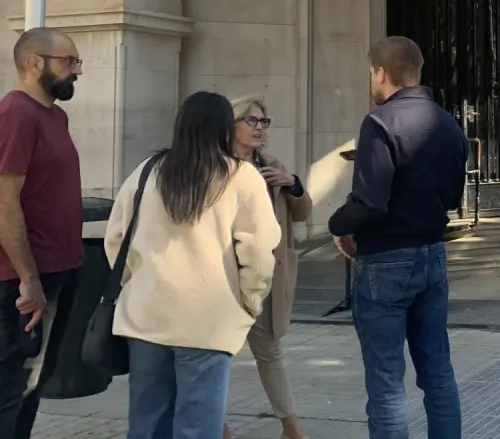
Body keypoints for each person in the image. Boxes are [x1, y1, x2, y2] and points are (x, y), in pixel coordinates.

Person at [105, 91, 280, 439]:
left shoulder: (147, 171)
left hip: (145, 316)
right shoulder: (242, 177)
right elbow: (259, 253)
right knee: (199, 428)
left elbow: (116, 240)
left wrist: (134, 284)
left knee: (146, 425)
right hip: (207, 320)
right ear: (224, 127)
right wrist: (250, 301)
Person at [330, 36, 467, 439]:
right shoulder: (448, 123)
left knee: (386, 381)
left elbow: (370, 202)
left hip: (386, 259)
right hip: (433, 254)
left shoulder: (379, 123)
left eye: (370, 73)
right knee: (438, 371)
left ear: (380, 73)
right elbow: (453, 198)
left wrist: (338, 225)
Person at [0, 28, 84, 439]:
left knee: (34, 383)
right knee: (11, 389)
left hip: (59, 271)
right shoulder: (15, 115)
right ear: (35, 63)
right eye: (69, 61)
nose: (77, 71)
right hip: (21, 281)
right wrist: (28, 279)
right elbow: (4, 202)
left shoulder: (55, 116)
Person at [223, 96, 313, 439]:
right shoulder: (216, 166)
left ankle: (291, 427)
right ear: (231, 124)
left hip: (266, 273)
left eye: (264, 121)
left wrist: (293, 184)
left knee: (270, 351)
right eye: (251, 121)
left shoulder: (270, 164)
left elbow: (302, 213)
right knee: (218, 354)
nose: (259, 128)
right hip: (226, 276)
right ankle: (219, 426)